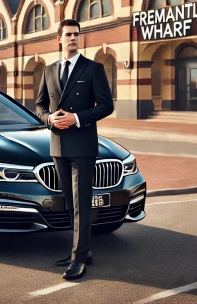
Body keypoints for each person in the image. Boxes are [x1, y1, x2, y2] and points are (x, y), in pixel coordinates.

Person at [35, 19, 114, 280]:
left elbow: (106, 105)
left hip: (82, 145)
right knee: (69, 203)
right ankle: (84, 250)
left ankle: (78, 258)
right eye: (68, 34)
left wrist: (76, 118)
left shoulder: (93, 69)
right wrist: (50, 119)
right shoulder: (49, 70)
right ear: (59, 38)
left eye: (76, 34)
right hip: (58, 145)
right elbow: (39, 106)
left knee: (81, 203)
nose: (73, 38)